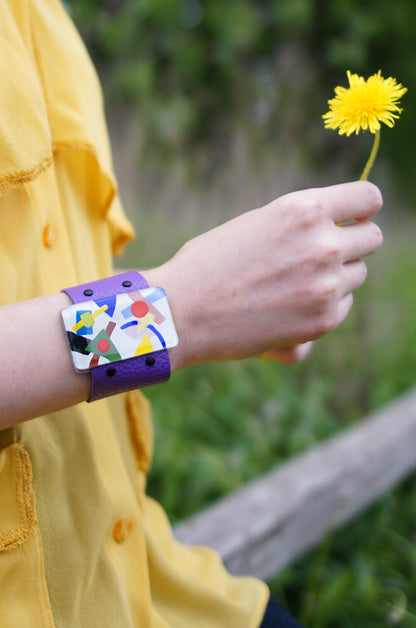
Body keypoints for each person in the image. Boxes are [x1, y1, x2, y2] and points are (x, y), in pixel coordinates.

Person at [0, 1, 383, 627]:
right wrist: (179, 311)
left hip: (152, 587)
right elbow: (168, 309)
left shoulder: (45, 17)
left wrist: (245, 299)